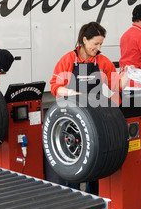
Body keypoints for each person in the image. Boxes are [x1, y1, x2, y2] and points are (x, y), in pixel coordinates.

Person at [49, 22, 123, 194]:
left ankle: (93, 199)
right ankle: (73, 200)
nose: (98, 48)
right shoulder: (68, 60)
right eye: (95, 44)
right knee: (73, 163)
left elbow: (115, 86)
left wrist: (126, 77)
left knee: (94, 162)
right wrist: (71, 92)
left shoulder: (103, 62)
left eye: (100, 44)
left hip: (94, 119)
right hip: (71, 120)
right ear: (84, 40)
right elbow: (55, 87)